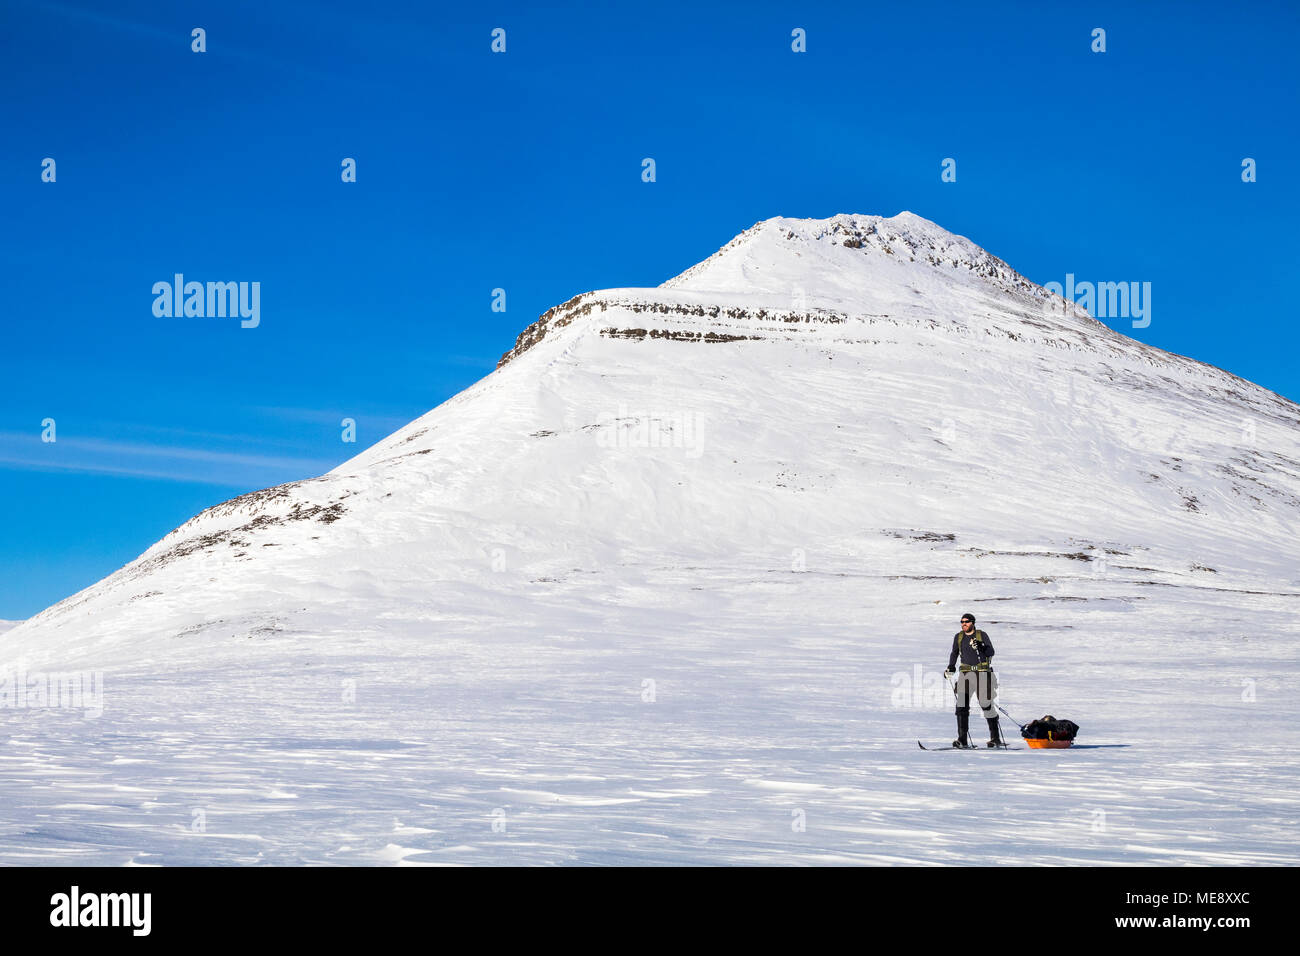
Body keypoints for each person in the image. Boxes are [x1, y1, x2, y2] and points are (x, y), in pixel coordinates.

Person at [944, 613, 1003, 748]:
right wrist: (951, 667)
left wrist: (981, 646)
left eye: (966, 621)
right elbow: (954, 653)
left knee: (986, 704)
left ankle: (995, 738)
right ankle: (962, 739)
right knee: (961, 706)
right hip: (965, 674)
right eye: (962, 621)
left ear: (973, 623)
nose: (963, 624)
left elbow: (991, 652)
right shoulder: (958, 637)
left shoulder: (981, 635)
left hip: (982, 673)